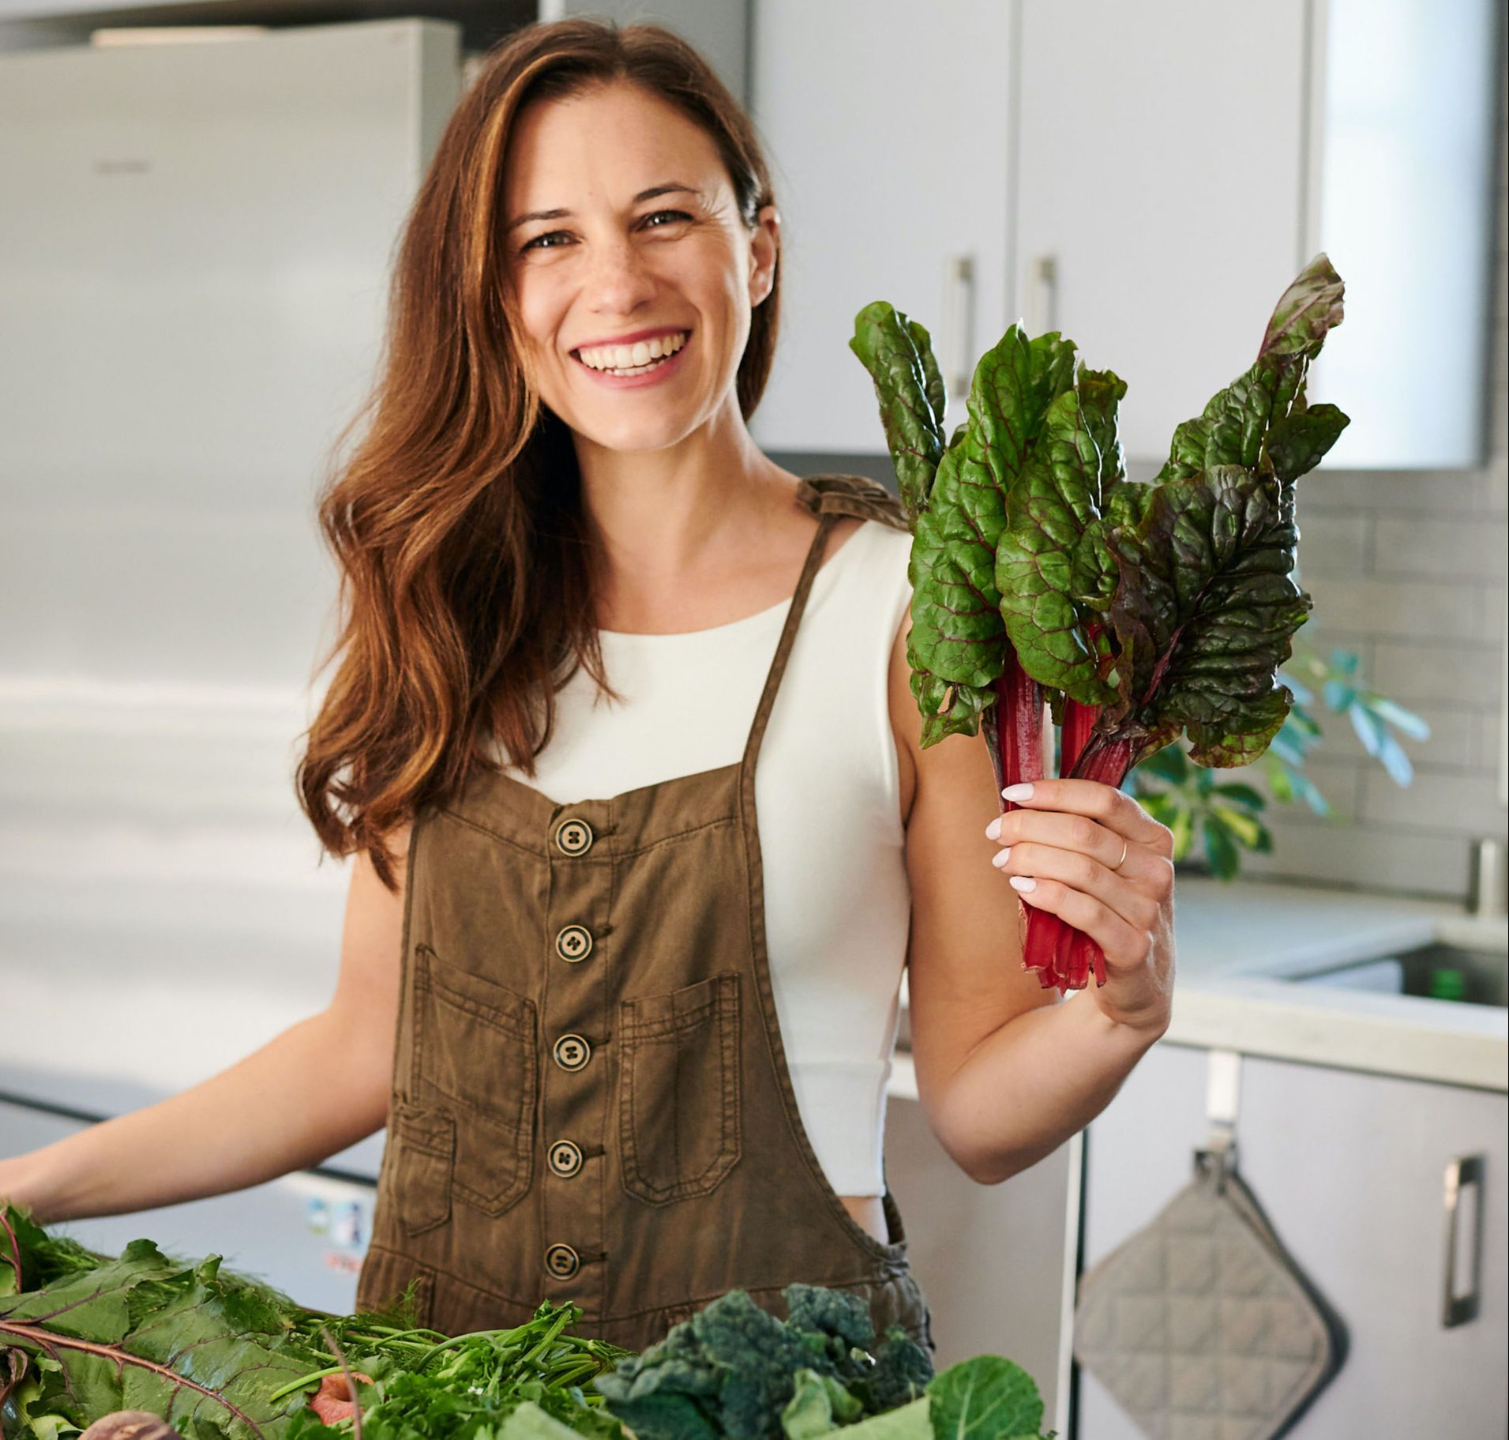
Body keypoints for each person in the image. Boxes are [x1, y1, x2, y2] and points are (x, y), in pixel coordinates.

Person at [0, 18, 1175, 1350]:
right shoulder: (451, 603)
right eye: (546, 239)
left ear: (758, 247)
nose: (615, 284)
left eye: (663, 217)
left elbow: (978, 1111)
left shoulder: (913, 613)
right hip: (444, 1398)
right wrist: (31, 1189)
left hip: (784, 1402)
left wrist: (1120, 1011)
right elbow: (366, 1046)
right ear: (492, 293)